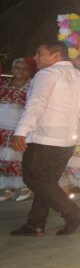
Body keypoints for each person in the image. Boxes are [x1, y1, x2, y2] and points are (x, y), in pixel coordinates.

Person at [9, 42, 80, 236]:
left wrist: (21, 131)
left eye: (40, 54)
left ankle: (73, 212)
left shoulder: (46, 75)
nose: (35, 58)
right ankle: (35, 223)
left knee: (34, 178)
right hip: (67, 138)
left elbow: (35, 105)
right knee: (47, 181)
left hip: (44, 138)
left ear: (56, 55)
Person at [0, 58, 34, 202]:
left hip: (18, 128)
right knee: (3, 159)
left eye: (24, 68)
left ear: (30, 70)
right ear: (12, 70)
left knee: (18, 159)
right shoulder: (5, 85)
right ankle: (6, 189)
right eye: (17, 68)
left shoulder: (32, 86)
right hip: (3, 128)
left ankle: (25, 187)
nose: (20, 71)